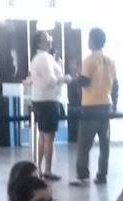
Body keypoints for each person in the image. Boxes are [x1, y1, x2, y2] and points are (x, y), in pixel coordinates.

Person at [70, 27, 118, 186]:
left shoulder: (89, 60)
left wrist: (76, 74)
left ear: (91, 41)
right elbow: (115, 85)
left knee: (84, 144)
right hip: (106, 105)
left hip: (90, 106)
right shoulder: (110, 61)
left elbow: (84, 82)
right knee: (104, 144)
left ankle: (82, 174)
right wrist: (115, 104)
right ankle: (102, 175)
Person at [29, 31, 70, 181]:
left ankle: (38, 168)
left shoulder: (40, 58)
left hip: (40, 100)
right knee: (49, 137)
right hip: (48, 101)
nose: (50, 40)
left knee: (43, 135)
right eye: (47, 39)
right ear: (39, 42)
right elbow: (50, 81)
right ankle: (47, 169)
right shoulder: (44, 58)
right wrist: (65, 79)